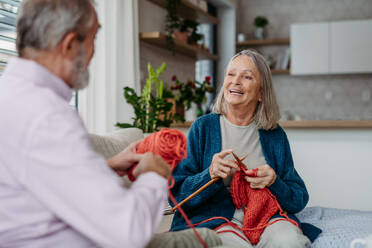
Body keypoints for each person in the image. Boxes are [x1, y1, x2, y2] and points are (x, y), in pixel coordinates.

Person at [0, 0, 173, 247]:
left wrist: (105, 167)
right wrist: (154, 176)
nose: (93, 53)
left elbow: (31, 186)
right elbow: (128, 231)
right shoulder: (47, 116)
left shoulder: (11, 94)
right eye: (93, 39)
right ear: (70, 45)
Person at [170, 49, 321, 247]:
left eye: (247, 76)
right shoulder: (203, 128)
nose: (236, 81)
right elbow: (176, 196)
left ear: (260, 93)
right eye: (231, 74)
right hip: (218, 221)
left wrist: (274, 181)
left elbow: (298, 199)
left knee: (290, 242)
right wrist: (210, 174)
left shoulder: (275, 135)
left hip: (266, 218)